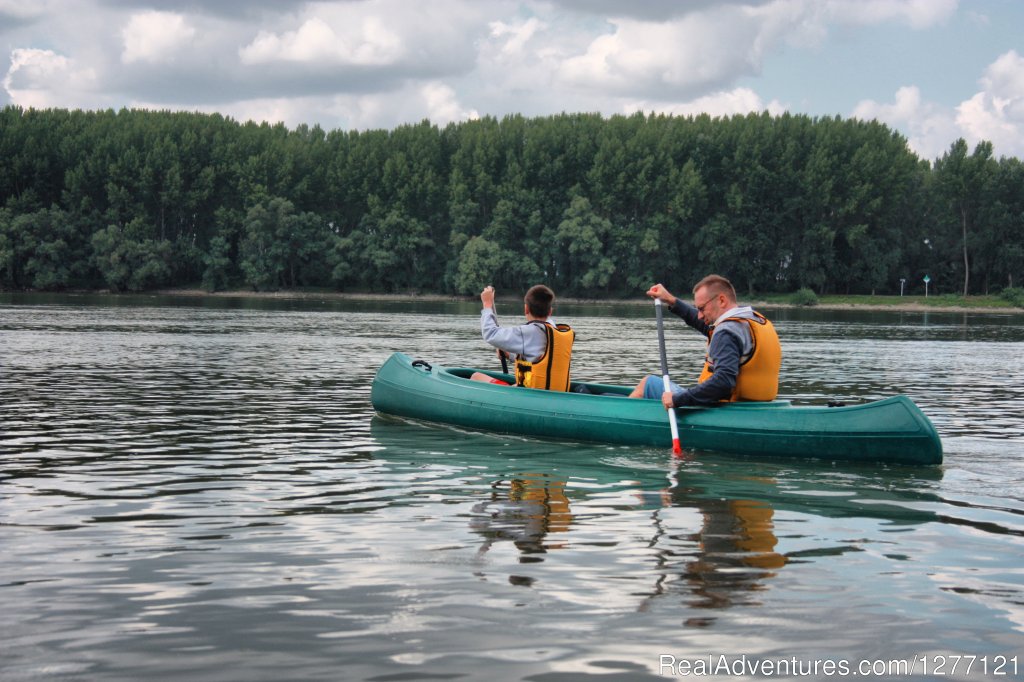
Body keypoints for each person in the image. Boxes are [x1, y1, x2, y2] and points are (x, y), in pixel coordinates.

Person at [628, 274, 781, 408]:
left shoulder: (726, 332)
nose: (700, 315)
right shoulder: (753, 321)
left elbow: (723, 383)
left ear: (721, 300)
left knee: (648, 384)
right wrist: (671, 300)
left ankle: (620, 418)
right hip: (757, 407)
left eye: (701, 308)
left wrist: (677, 399)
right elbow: (703, 324)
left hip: (725, 410)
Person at [471, 284, 575, 391]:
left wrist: (487, 305)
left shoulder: (527, 332)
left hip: (533, 395)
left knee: (476, 376)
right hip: (556, 392)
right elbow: (536, 356)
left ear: (526, 309)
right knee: (516, 384)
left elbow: (490, 333)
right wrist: (509, 355)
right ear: (550, 312)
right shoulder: (554, 330)